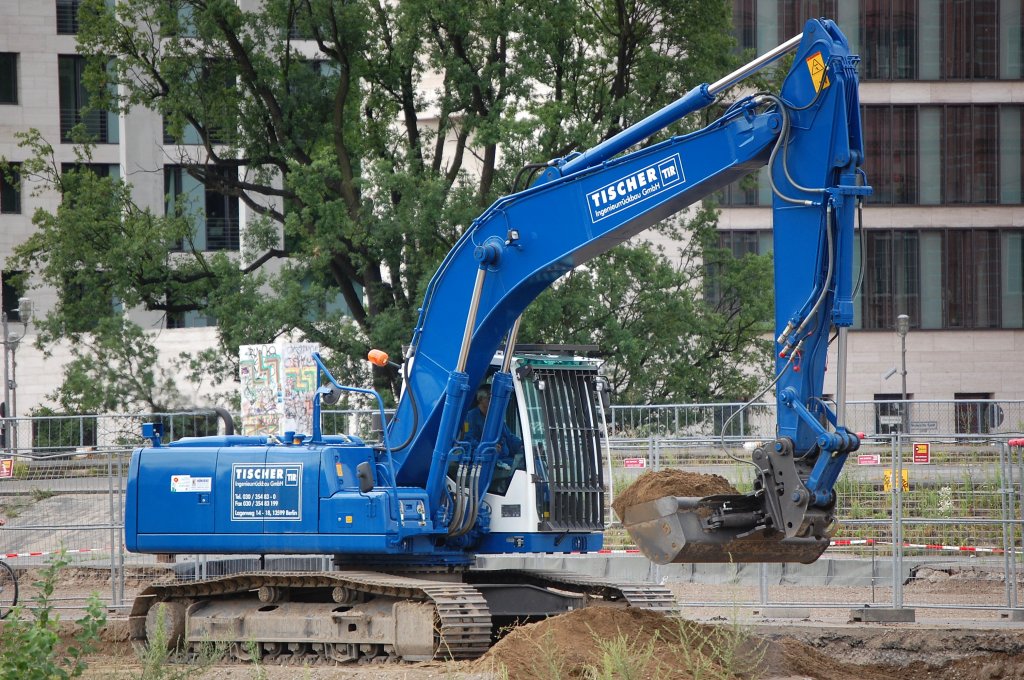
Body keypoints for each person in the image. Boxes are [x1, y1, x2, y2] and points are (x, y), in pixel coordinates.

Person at [464, 384, 523, 471]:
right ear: (480, 399)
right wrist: (489, 448)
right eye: (489, 398)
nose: (493, 402)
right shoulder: (469, 417)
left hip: (503, 458)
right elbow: (468, 441)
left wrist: (522, 445)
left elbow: (509, 436)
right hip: (482, 461)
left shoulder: (496, 417)